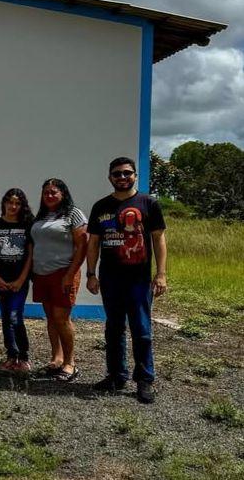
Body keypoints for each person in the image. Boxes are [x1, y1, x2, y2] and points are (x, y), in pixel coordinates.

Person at [86, 157, 167, 404]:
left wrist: (161, 274)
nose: (122, 178)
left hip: (139, 279)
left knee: (142, 330)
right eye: (117, 174)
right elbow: (94, 242)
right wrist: (91, 273)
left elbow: (159, 239)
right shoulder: (101, 207)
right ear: (109, 177)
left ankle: (144, 380)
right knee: (113, 328)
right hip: (110, 279)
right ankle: (116, 375)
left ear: (135, 175)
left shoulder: (148, 203)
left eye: (127, 173)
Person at [31, 178, 88, 382]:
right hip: (41, 273)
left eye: (54, 192)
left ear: (63, 193)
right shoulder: (42, 215)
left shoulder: (73, 213)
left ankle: (70, 363)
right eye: (46, 192)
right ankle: (57, 358)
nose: (49, 195)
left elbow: (82, 246)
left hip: (63, 273)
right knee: (50, 317)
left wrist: (70, 274)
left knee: (61, 318)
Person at [0, 189, 35, 372]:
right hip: (1, 279)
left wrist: (22, 279)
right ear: (4, 203)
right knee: (6, 317)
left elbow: (30, 255)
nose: (13, 206)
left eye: (17, 203)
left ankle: (23, 356)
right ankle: (11, 355)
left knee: (16, 316)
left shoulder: (27, 225)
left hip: (19, 280)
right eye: (10, 202)